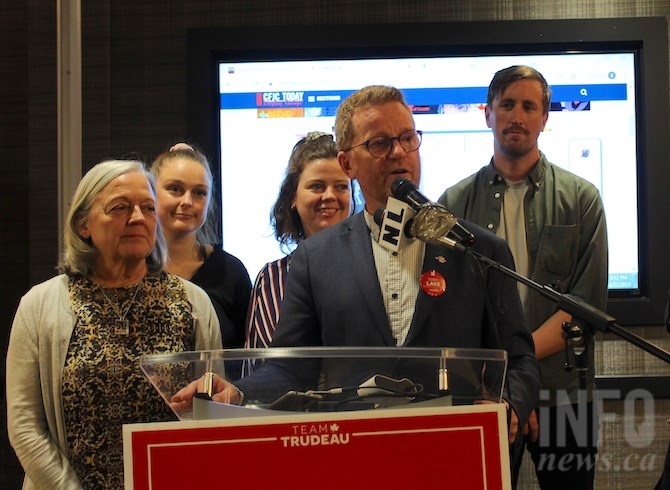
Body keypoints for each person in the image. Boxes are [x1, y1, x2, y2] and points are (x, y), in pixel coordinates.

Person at [172, 85, 539, 446]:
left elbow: (519, 359)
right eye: (379, 143)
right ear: (348, 163)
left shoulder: (476, 250)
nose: (399, 152)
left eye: (408, 138)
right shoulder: (315, 258)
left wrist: (510, 405)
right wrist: (236, 392)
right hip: (354, 451)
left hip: (452, 447)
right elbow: (291, 366)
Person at [439, 65, 608, 489]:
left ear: (545, 118)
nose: (517, 115)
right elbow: (448, 308)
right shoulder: (452, 204)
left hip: (565, 394)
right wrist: (508, 382)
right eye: (507, 104)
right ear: (487, 113)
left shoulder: (582, 199)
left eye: (529, 106)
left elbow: (584, 308)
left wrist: (518, 367)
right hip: (485, 397)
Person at [6, 159, 222, 489]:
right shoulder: (39, 306)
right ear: (83, 225)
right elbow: (25, 425)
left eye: (148, 208)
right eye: (120, 207)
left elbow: (212, 412)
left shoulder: (193, 303)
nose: (138, 218)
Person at [245, 131, 352, 354]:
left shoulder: (371, 268)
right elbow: (260, 368)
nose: (330, 196)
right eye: (317, 186)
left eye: (341, 186)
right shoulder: (271, 279)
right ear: (293, 197)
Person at [151, 144, 251, 349]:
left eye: (199, 192)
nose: (187, 201)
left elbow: (248, 358)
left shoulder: (231, 272)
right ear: (151, 192)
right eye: (175, 189)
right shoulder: (131, 268)